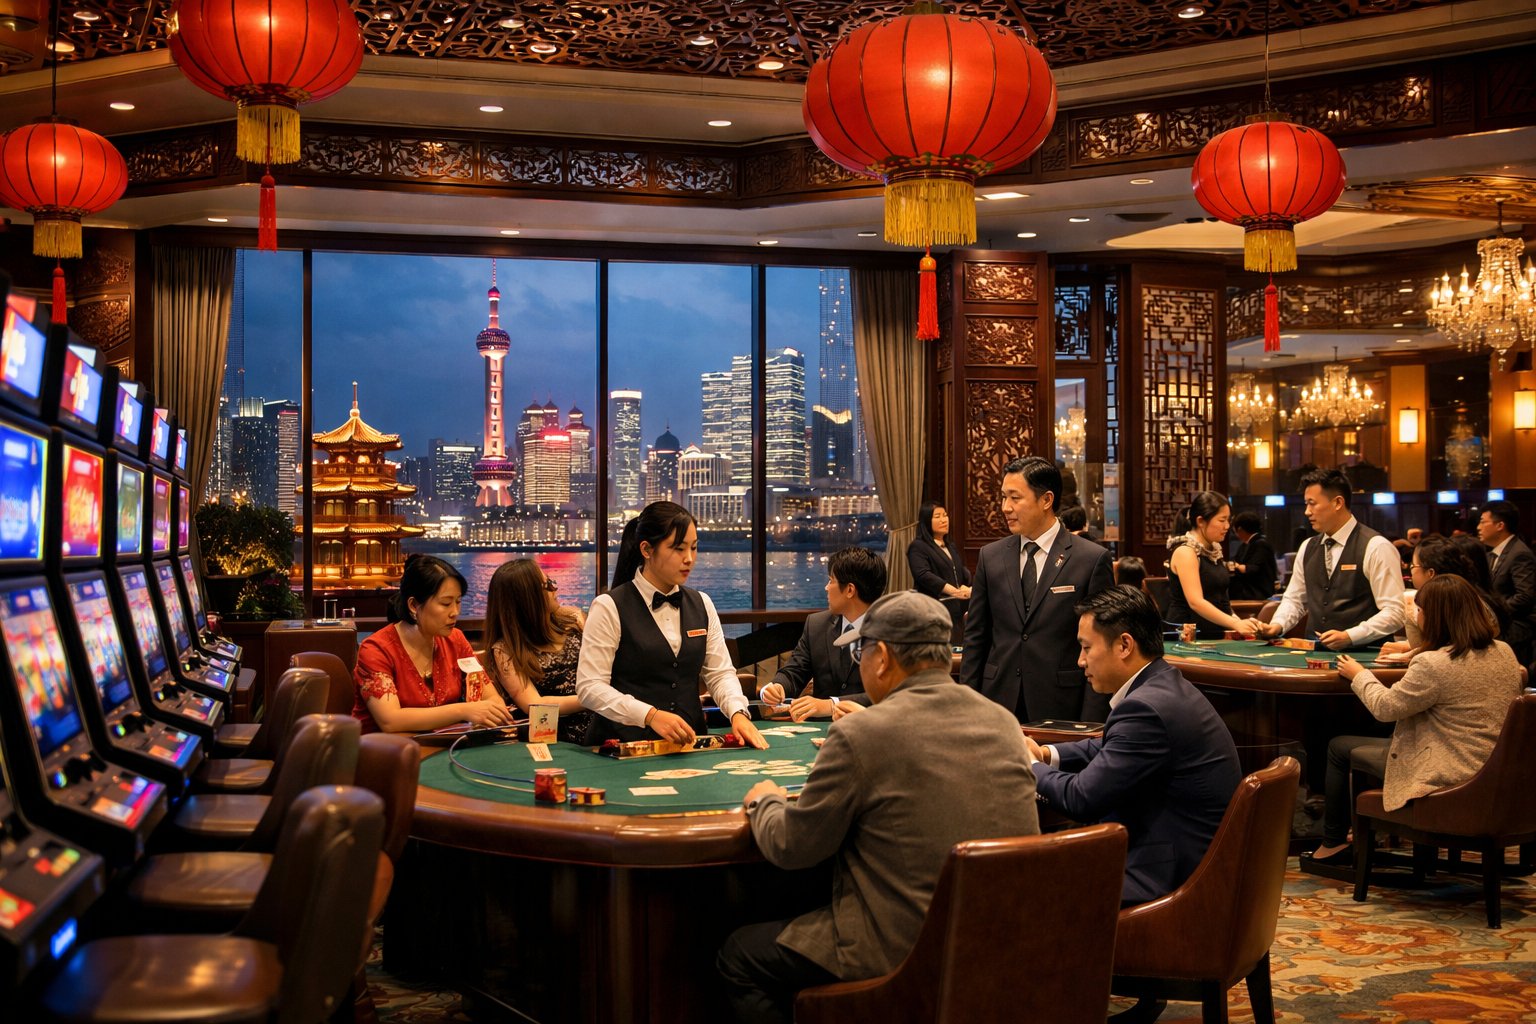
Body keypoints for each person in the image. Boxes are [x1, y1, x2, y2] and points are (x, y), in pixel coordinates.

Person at [718, 592, 1040, 1024]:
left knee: (739, 956)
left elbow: (793, 847)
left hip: (905, 948)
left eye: (860, 651)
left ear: (883, 657)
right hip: (1003, 941)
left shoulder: (861, 732)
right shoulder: (1002, 722)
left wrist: (765, 799)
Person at [1027, 586, 1241, 905]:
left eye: (1086, 648)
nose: (1080, 661)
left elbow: (1081, 798)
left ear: (1125, 644)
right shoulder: (1162, 685)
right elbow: (1108, 749)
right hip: (1190, 862)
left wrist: (1028, 766)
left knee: (1022, 885)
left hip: (1168, 883)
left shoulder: (1145, 709)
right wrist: (1046, 754)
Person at [1305, 574, 1523, 866]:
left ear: (1435, 617)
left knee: (1339, 746)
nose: (1416, 615)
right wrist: (1417, 625)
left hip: (1449, 770)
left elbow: (1385, 707)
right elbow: (1432, 647)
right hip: (1496, 770)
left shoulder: (1432, 665)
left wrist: (1359, 674)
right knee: (1369, 745)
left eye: (1420, 611)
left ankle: (1331, 845)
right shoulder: (1504, 652)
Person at [575, 500, 765, 749]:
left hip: (690, 745)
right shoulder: (608, 606)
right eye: (678, 549)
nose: (689, 559)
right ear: (646, 549)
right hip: (623, 747)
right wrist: (650, 715)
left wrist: (738, 713)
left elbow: (719, 673)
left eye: (694, 548)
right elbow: (590, 688)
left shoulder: (702, 603)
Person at [962, 455, 1115, 722]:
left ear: (1046, 500)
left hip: (1061, 702)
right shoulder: (991, 556)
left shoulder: (1090, 560)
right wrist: (966, 707)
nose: (1005, 507)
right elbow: (976, 638)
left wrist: (1092, 722)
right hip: (998, 702)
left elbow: (1101, 645)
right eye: (1003, 497)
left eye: (1015, 498)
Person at [352, 554, 513, 734]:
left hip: (444, 748)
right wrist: (464, 710)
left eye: (458, 602)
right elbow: (390, 721)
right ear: (413, 606)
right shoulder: (376, 649)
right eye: (446, 603)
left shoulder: (455, 639)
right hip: (386, 754)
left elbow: (492, 698)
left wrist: (491, 710)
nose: (455, 612)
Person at [1257, 469, 1405, 649]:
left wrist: (1350, 635)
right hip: (1314, 656)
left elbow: (1395, 612)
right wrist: (1277, 625)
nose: (1307, 512)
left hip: (1364, 657)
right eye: (1306, 504)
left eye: (1312, 504)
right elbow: (1295, 599)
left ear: (1337, 503)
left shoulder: (1376, 546)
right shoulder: (1307, 547)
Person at [758, 547, 885, 720]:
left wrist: (831, 705)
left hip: (871, 728)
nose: (826, 588)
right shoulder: (817, 625)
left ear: (849, 590)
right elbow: (795, 670)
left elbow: (890, 693)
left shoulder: (891, 631)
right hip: (818, 731)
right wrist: (777, 687)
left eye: (831, 581)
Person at [481, 558, 592, 744]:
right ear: (527, 598)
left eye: (550, 580)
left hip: (601, 723)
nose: (554, 588)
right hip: (554, 736)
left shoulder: (574, 620)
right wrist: (594, 699)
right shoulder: (504, 650)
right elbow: (533, 704)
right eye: (546, 585)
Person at [1381, 535, 1510, 659]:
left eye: (1413, 566)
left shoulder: (1460, 604)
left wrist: (1412, 652)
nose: (1410, 570)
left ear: (1431, 573)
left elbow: (1448, 652)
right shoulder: (1463, 597)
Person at [1164, 491, 1257, 639]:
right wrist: (1234, 624)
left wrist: (1241, 622)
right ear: (1201, 521)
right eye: (1222, 520)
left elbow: (1222, 600)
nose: (1227, 526)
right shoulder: (1186, 551)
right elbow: (1196, 602)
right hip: (1186, 635)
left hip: (1212, 632)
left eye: (1228, 520)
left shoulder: (1214, 551)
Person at [1477, 500, 1536, 666]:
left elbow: (1524, 597)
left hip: (1516, 626)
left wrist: (1492, 613)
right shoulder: (1492, 554)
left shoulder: (1519, 553)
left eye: (1483, 522)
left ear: (1500, 525)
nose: (1478, 527)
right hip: (1502, 623)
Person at [905, 501, 971, 600]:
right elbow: (923, 575)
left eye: (945, 515)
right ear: (927, 521)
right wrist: (954, 592)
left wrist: (968, 587)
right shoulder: (918, 546)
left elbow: (961, 570)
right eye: (937, 517)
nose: (944, 520)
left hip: (956, 603)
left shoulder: (950, 546)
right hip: (932, 604)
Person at [1227, 510, 1279, 601]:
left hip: (1257, 594)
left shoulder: (1261, 544)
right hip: (1246, 593)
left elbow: (1254, 569)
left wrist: (1237, 566)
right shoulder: (1245, 545)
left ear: (1239, 529)